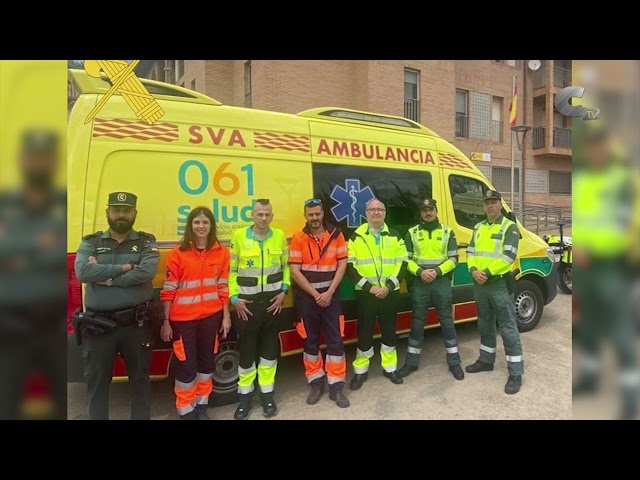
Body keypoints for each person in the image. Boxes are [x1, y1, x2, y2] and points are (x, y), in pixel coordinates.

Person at [74, 191, 159, 419]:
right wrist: (123, 268)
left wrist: (104, 277)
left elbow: (146, 272)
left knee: (140, 381)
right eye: (116, 210)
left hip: (136, 324)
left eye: (126, 210)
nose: (121, 214)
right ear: (108, 212)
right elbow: (83, 272)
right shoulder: (91, 241)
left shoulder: (145, 241)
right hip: (98, 326)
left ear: (134, 213)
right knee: (97, 385)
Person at [572, 127, 638, 420]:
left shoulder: (620, 182)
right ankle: (590, 378)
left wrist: (593, 250)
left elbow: (626, 229)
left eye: (601, 147)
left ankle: (630, 397)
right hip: (584, 270)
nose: (595, 153)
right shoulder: (583, 181)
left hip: (610, 266)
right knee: (589, 329)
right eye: (591, 148)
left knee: (622, 334)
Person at [0, 129, 67, 420]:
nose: (39, 163)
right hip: (11, 326)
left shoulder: (64, 202)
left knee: (59, 404)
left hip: (53, 324)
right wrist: (40, 248)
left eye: (45, 158)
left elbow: (61, 250)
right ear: (23, 160)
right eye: (33, 157)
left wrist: (20, 253)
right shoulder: (6, 202)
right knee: (8, 402)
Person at [160, 206, 231, 420]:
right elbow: (168, 290)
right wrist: (166, 321)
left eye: (205, 222)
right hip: (183, 320)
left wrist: (226, 316)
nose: (201, 226)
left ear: (211, 226)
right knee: (186, 366)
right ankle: (186, 410)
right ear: (191, 226)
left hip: (211, 317)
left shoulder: (222, 252)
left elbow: (223, 287)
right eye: (197, 222)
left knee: (207, 364)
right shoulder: (178, 253)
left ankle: (201, 407)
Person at [229, 199, 290, 420]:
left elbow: (286, 267)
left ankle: (267, 396)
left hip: (273, 304)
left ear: (272, 217)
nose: (263, 218)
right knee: (246, 354)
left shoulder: (279, 236)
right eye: (259, 214)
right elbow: (232, 271)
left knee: (269, 354)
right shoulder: (239, 237)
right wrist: (234, 298)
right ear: (252, 215)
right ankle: (244, 399)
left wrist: (284, 291)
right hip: (247, 305)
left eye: (267, 215)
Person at [289, 198, 350, 408]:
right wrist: (316, 294)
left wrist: (329, 292)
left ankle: (336, 387)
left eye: (317, 213)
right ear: (305, 215)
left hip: (331, 298)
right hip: (308, 299)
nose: (314, 218)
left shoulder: (336, 235)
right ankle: (316, 384)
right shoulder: (298, 238)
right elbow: (295, 271)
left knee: (335, 341)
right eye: (310, 214)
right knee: (310, 342)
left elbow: (342, 264)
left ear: (323, 214)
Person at [397, 198, 464, 380]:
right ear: (421, 213)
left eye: (431, 209)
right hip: (420, 282)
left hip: (440, 281)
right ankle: (411, 362)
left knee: (447, 321)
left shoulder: (447, 232)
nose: (428, 213)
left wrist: (436, 271)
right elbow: (405, 260)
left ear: (436, 211)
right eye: (424, 209)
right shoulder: (411, 233)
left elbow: (454, 259)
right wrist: (420, 272)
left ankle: (454, 362)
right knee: (417, 321)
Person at [465, 190, 523, 394]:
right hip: (480, 284)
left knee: (507, 327)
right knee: (485, 323)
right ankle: (486, 360)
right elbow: (470, 252)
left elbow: (508, 256)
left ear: (500, 204)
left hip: (498, 283)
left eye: (494, 202)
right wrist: (473, 270)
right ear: (483, 206)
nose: (490, 206)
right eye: (487, 203)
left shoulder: (510, 227)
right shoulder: (478, 227)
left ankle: (515, 373)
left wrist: (487, 273)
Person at [346, 198, 408, 390]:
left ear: (384, 213)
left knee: (389, 331)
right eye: (372, 209)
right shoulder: (355, 236)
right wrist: (369, 288)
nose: (376, 213)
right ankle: (360, 371)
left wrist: (388, 286)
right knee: (364, 332)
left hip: (390, 293)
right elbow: (350, 266)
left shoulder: (395, 235)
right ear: (366, 213)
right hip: (367, 294)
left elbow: (403, 264)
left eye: (379, 209)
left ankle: (390, 368)